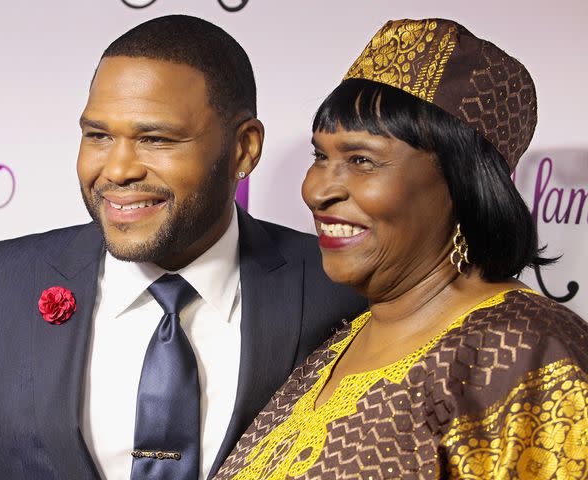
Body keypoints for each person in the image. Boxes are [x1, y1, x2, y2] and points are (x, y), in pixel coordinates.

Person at [0, 15, 367, 480]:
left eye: (156, 139)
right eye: (98, 135)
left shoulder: (342, 287)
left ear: (244, 148)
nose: (119, 168)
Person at [214, 18, 588, 479]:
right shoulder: (336, 345)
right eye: (321, 156)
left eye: (362, 161)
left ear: (461, 184)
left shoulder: (532, 353)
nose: (316, 191)